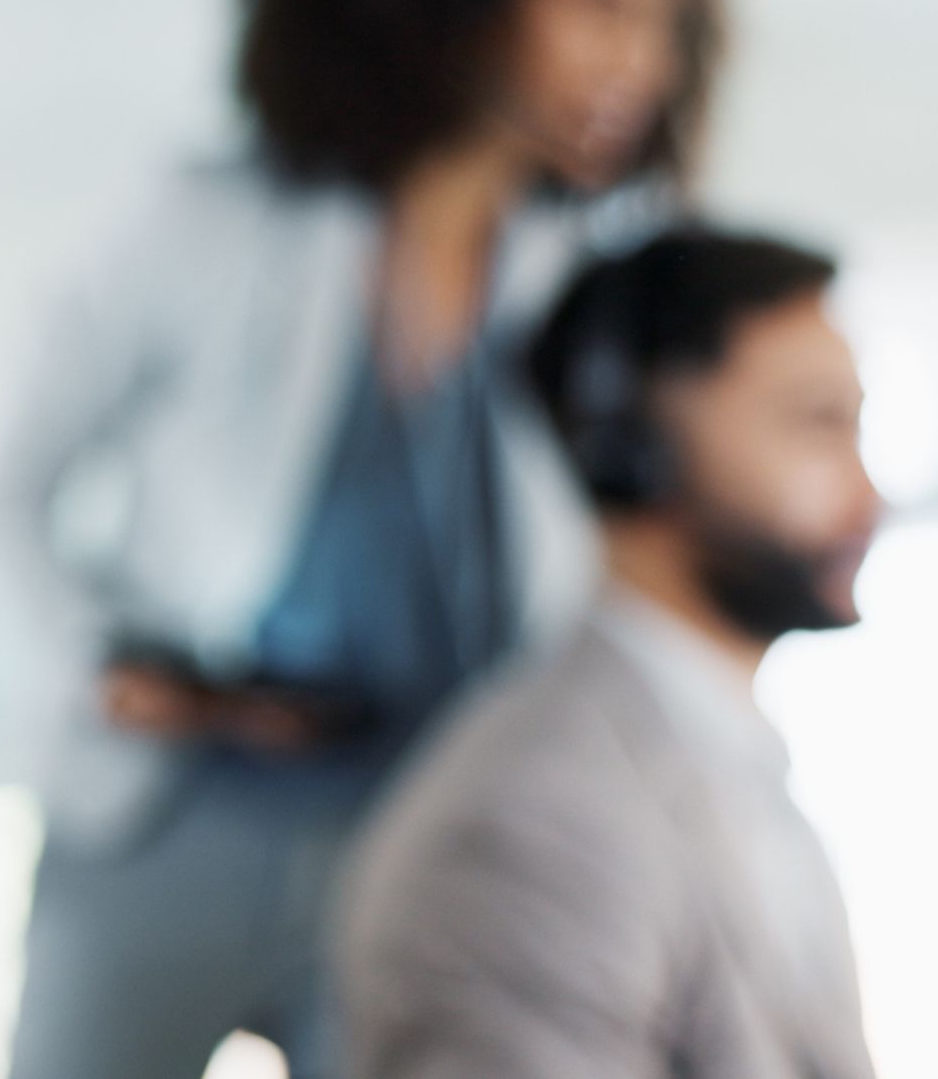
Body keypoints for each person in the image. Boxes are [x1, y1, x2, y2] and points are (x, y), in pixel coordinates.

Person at [2, 0, 719, 1079]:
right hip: (173, 810)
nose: (646, 63)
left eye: (667, 24)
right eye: (604, 4)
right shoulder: (207, 221)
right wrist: (105, 657)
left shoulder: (591, 277)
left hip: (431, 821)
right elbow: (8, 487)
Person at [332, 229, 882, 1079]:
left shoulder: (735, 766)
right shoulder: (526, 821)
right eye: (817, 422)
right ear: (630, 443)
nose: (868, 493)